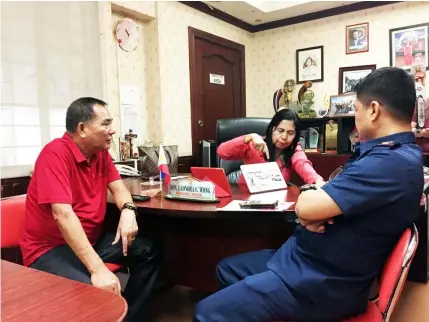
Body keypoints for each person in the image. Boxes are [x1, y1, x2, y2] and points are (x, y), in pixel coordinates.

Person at [194, 67, 423, 322]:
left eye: (355, 111)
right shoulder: (402, 154)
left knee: (206, 312)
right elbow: (322, 200)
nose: (284, 136)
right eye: (280, 130)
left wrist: (310, 207)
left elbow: (308, 202)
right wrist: (314, 207)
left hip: (316, 282)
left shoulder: (386, 162)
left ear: (373, 110)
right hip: (307, 259)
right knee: (227, 269)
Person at [20, 97, 163, 322]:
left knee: (150, 248)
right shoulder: (54, 154)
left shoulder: (100, 154)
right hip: (49, 249)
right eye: (105, 124)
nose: (112, 130)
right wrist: (97, 269)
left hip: (89, 241)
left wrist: (128, 210)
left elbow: (119, 189)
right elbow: (63, 215)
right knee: (100, 295)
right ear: (83, 129)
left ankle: (131, 317)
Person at [217, 108, 324, 186]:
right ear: (272, 128)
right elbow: (222, 152)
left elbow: (303, 164)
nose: (284, 137)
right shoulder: (255, 143)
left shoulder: (293, 149)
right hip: (245, 196)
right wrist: (250, 136)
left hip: (276, 200)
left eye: (290, 133)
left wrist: (317, 181)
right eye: (280, 131)